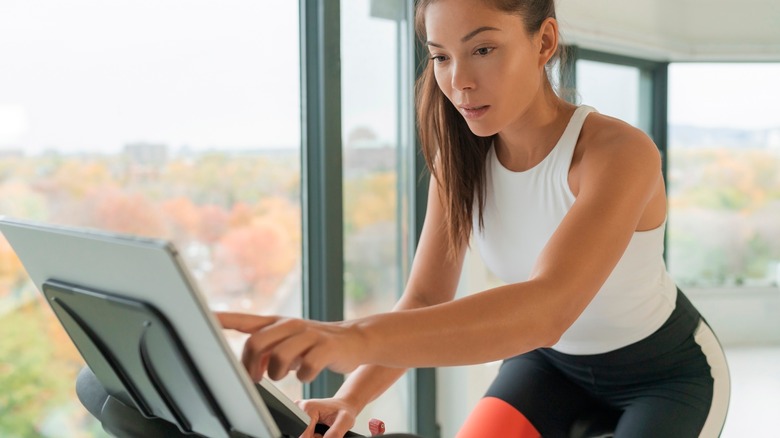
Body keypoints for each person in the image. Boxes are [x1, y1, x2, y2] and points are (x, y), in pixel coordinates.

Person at [217, 0, 731, 437]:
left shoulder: (618, 153)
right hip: (547, 365)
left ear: (544, 40)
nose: (459, 80)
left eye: (482, 49)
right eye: (441, 56)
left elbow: (547, 308)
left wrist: (349, 337)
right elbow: (424, 298)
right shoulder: (459, 162)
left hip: (666, 375)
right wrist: (351, 398)